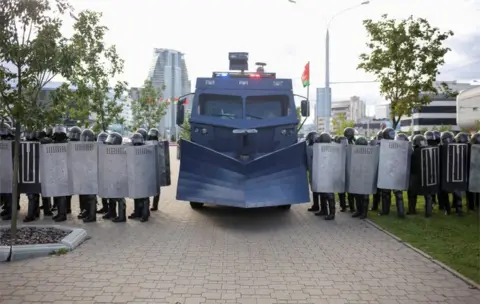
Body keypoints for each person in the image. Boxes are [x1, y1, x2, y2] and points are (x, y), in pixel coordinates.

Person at [379, 128, 405, 218]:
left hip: (389, 170)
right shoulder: (398, 144)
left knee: (387, 193)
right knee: (396, 193)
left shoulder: (383, 144)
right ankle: (400, 212)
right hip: (390, 170)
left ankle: (387, 211)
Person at [408, 134, 435, 217]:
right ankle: (428, 212)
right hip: (427, 176)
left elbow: (412, 166)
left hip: (416, 177)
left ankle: (412, 210)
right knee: (428, 194)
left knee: (412, 193)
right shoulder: (429, 151)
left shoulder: (414, 153)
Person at [104, 132, 127, 223]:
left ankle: (122, 216)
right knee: (111, 195)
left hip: (119, 176)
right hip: (111, 175)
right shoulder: (109, 150)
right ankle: (112, 212)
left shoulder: (122, 150)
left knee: (120, 197)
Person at [127, 132, 151, 222]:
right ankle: (137, 212)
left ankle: (145, 214)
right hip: (135, 174)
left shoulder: (146, 149)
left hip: (144, 174)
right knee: (136, 194)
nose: (136, 142)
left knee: (144, 196)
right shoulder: (131, 149)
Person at [314, 132, 336, 220]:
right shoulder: (321, 148)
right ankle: (324, 210)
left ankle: (332, 213)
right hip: (322, 172)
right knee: (322, 193)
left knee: (329, 195)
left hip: (329, 174)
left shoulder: (333, 149)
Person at [78, 129, 98, 223]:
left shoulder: (94, 147)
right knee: (85, 195)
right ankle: (87, 213)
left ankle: (92, 216)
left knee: (91, 196)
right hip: (85, 173)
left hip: (92, 174)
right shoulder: (83, 147)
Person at [51, 126, 69, 222]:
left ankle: (62, 214)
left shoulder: (66, 144)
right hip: (57, 170)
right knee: (58, 194)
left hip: (63, 171)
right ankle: (60, 213)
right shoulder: (55, 143)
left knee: (61, 194)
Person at [23, 131, 42, 222]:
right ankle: (35, 212)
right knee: (33, 194)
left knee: (32, 194)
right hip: (29, 170)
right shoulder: (23, 144)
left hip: (36, 171)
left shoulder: (40, 143)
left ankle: (31, 215)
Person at [350, 136, 370, 219]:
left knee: (364, 196)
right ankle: (359, 210)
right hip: (357, 175)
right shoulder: (355, 152)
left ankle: (364, 213)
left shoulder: (370, 153)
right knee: (357, 195)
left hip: (366, 176)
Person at [305, 132, 322, 213]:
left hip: (313, 170)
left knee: (314, 188)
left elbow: (308, 161)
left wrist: (308, 169)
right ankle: (323, 207)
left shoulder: (309, 148)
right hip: (322, 170)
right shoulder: (321, 147)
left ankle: (316, 205)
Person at [147, 128, 162, 211]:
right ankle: (149, 205)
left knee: (156, 188)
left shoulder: (160, 145)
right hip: (149, 168)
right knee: (148, 187)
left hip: (156, 168)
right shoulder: (146, 144)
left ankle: (154, 205)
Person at [96, 131, 109, 214]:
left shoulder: (110, 149)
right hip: (101, 171)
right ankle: (105, 208)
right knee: (102, 191)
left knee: (108, 192)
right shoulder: (98, 149)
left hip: (108, 172)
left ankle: (108, 209)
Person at [334, 135, 348, 212]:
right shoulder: (337, 150)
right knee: (341, 190)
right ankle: (343, 205)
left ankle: (346, 205)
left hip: (346, 171)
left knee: (345, 190)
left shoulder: (348, 149)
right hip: (340, 172)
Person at [370, 130, 383, 211]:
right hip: (377, 167)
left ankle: (376, 206)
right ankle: (375, 206)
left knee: (382, 191)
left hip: (383, 168)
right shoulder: (375, 143)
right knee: (378, 190)